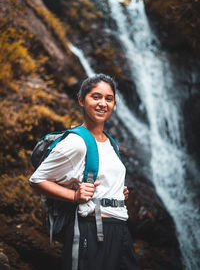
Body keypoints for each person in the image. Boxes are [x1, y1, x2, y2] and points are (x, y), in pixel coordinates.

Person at [29, 74, 139, 270]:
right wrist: (74, 196)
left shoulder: (110, 142)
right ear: (81, 100)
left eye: (109, 98)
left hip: (120, 228)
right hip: (91, 229)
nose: (103, 103)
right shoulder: (76, 142)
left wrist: (116, 191)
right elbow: (37, 180)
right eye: (95, 97)